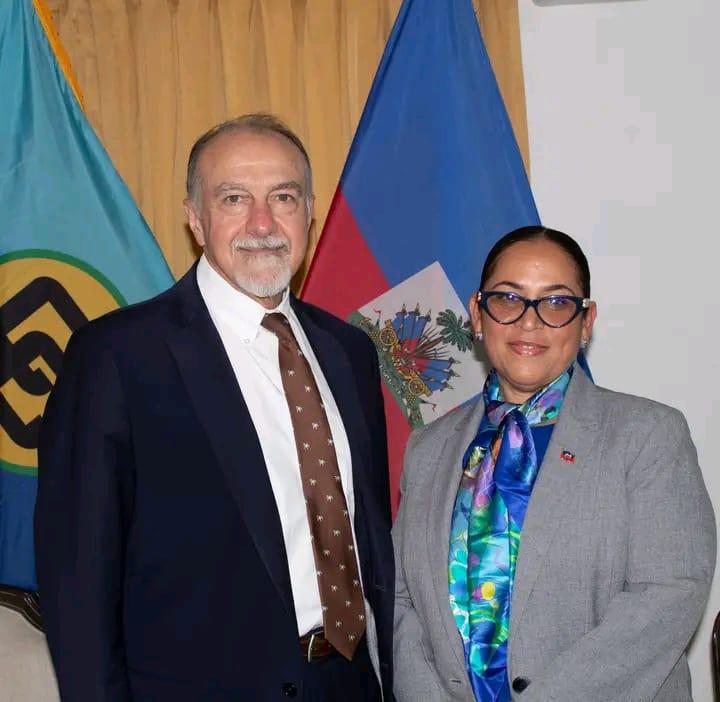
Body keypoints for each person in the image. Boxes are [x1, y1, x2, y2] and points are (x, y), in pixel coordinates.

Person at [34, 113, 394, 701]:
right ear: (195, 219)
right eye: (234, 198)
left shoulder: (350, 352)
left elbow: (371, 544)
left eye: (283, 197)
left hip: (348, 684)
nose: (262, 223)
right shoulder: (116, 357)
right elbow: (79, 581)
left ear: (309, 214)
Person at [392, 225, 716, 701]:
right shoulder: (428, 448)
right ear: (477, 314)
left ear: (586, 323)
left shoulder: (647, 435)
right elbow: (403, 602)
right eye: (508, 298)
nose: (530, 322)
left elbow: (668, 593)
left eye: (557, 302)